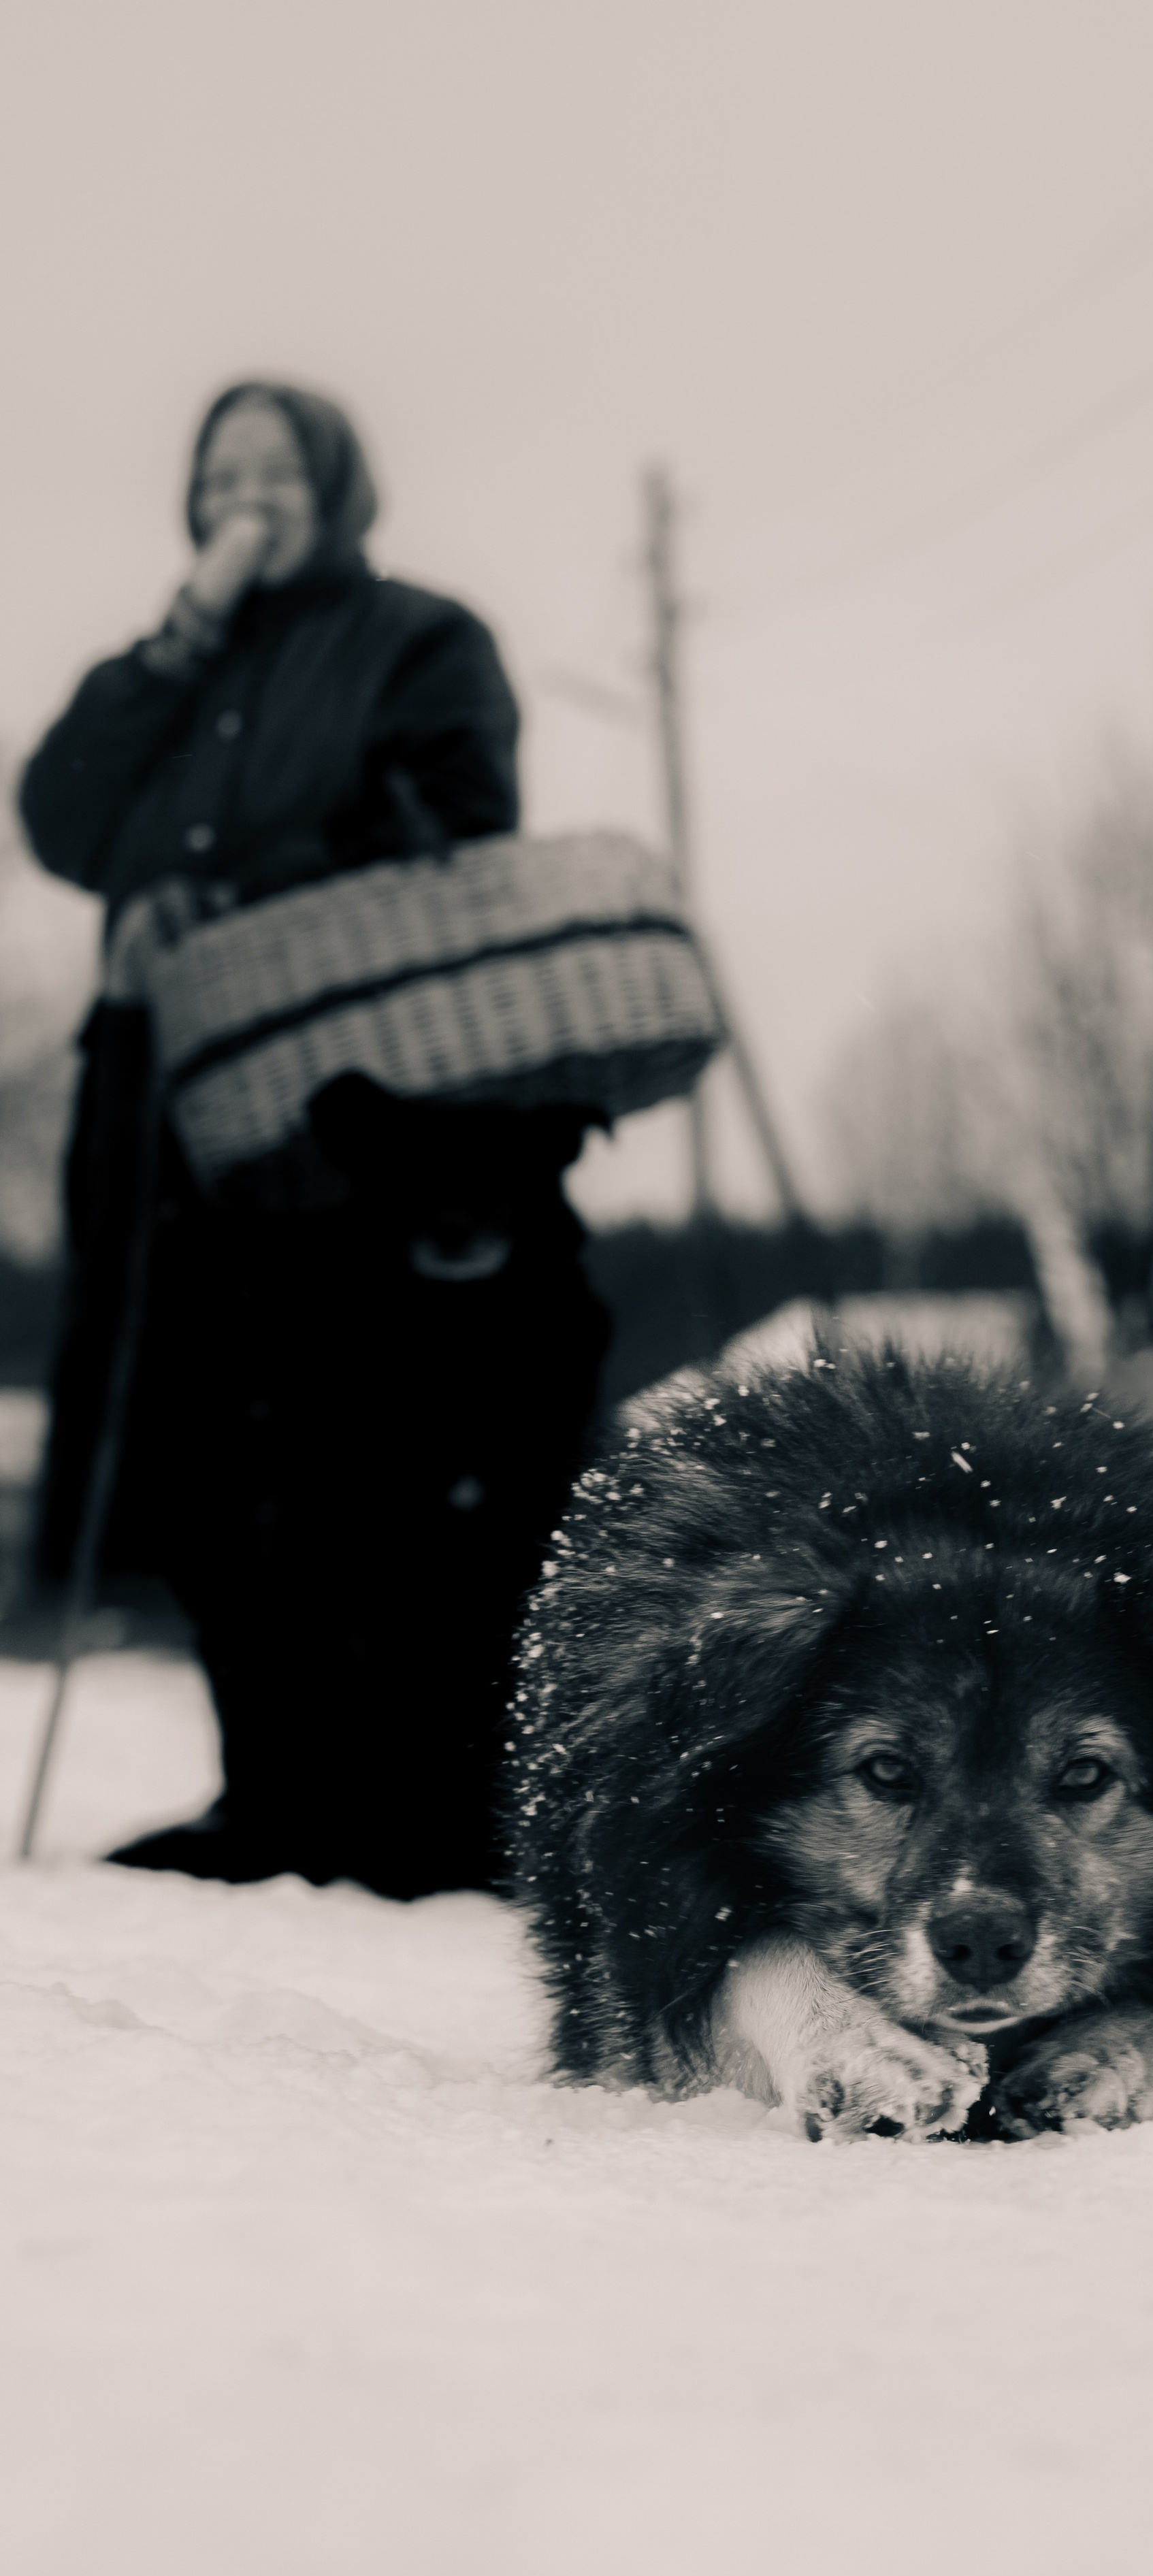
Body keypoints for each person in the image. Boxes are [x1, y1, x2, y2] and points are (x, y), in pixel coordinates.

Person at [19, 380, 611, 1896]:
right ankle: (266, 1792)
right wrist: (176, 642)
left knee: (355, 1434)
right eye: (222, 470)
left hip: (340, 1087)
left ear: (338, 487)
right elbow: (60, 820)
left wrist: (240, 891)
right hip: (159, 1086)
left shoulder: (417, 636)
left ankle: (424, 1806)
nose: (249, 492)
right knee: (195, 1437)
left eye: (279, 468)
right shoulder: (164, 669)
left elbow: (456, 818)